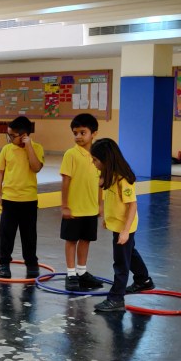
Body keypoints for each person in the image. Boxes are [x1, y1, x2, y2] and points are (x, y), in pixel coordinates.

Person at [90, 138, 154, 313]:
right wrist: (107, 217)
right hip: (118, 225)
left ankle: (116, 298)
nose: (93, 163)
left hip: (124, 227)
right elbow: (111, 200)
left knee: (120, 263)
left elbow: (132, 205)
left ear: (106, 159)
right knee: (130, 254)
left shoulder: (123, 179)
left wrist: (125, 231)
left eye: (95, 159)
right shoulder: (110, 175)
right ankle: (143, 280)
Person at [0, 116, 44, 279]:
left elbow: (36, 167)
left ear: (24, 135)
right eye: (8, 134)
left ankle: (31, 263)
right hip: (10, 199)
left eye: (12, 135)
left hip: (29, 200)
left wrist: (29, 146)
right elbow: (0, 173)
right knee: (6, 234)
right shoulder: (6, 150)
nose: (9, 138)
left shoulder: (37, 148)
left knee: (29, 235)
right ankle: (3, 263)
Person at [60, 113, 105, 292]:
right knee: (71, 240)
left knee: (86, 240)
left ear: (94, 133)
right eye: (75, 133)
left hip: (91, 208)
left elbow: (100, 181)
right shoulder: (71, 154)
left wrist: (100, 204)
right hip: (74, 209)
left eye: (82, 133)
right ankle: (71, 273)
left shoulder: (98, 156)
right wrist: (65, 205)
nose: (78, 136)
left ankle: (81, 271)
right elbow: (66, 181)